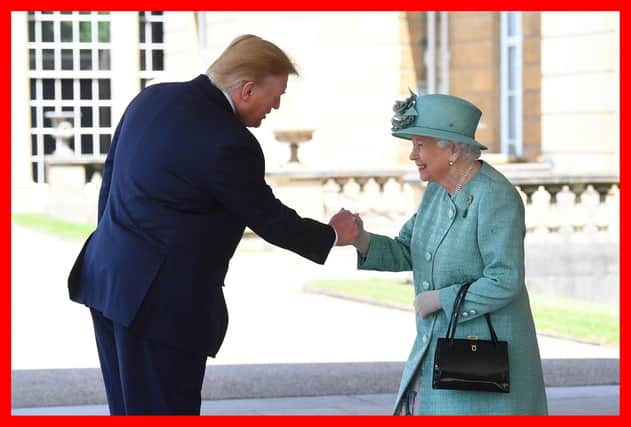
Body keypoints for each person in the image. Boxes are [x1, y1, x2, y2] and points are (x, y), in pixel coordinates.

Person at [67, 34, 358, 415]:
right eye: (278, 94)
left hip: (107, 280)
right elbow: (268, 218)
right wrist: (334, 234)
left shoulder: (151, 98)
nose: (277, 105)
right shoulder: (230, 141)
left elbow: (111, 179)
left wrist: (115, 245)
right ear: (248, 89)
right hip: (161, 306)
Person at [348, 92, 548, 415]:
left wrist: (442, 299)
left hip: (483, 362)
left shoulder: (496, 197)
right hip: (439, 354)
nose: (413, 155)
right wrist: (360, 239)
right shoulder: (436, 193)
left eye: (420, 145)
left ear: (453, 149)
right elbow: (406, 250)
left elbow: (505, 279)